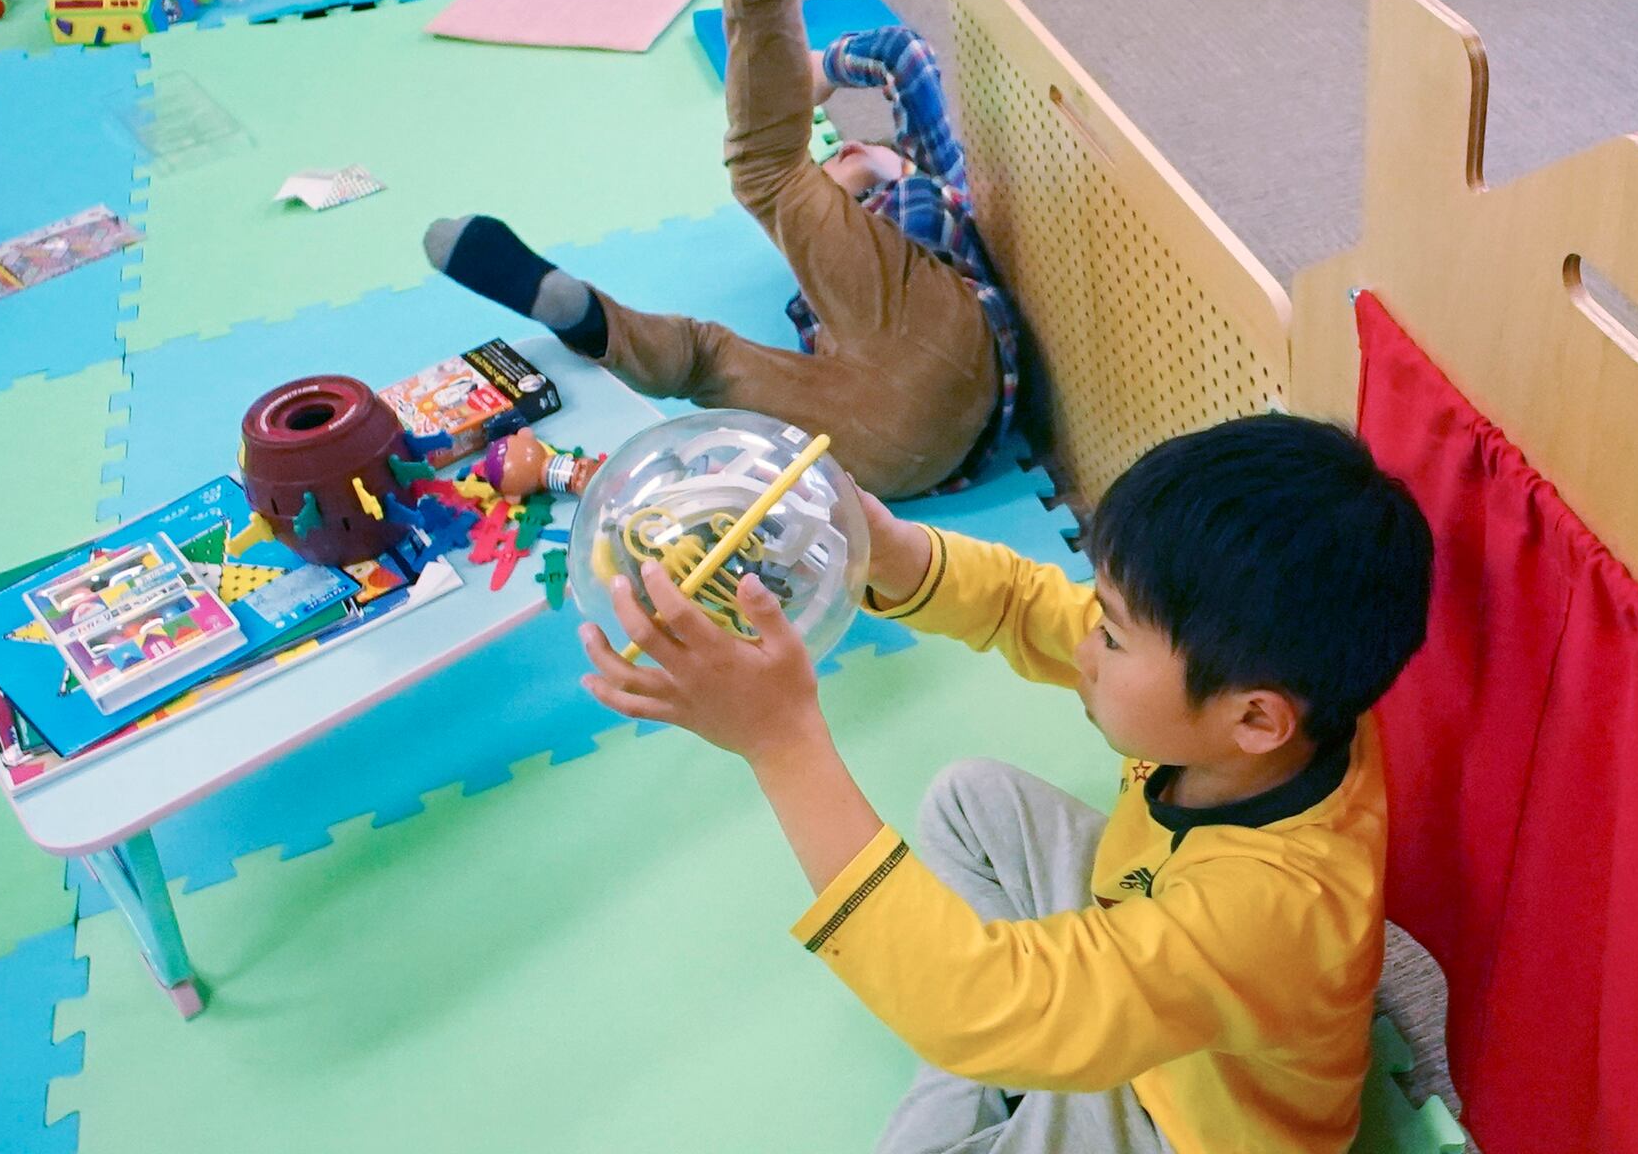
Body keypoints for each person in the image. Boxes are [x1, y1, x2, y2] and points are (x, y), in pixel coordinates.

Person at [580, 413, 1436, 1154]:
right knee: (969, 800)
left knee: (978, 1019)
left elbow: (984, 1005)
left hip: (1181, 1126)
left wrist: (781, 743)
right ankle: (1013, 1052)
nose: (1086, 643)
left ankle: (1006, 1057)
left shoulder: (1272, 909)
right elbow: (1028, 605)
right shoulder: (1278, 714)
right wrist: (895, 553)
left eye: (1112, 634)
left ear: (1253, 719)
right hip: (1149, 956)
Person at [422, 0, 1016, 497]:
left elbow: (895, 68)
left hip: (884, 455)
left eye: (840, 162)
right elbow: (900, 67)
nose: (844, 155)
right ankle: (584, 316)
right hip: (893, 437)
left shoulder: (895, 225)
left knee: (714, 336)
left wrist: (829, 106)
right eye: (839, 167)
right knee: (765, 182)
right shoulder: (916, 206)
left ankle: (593, 326)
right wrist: (849, 122)